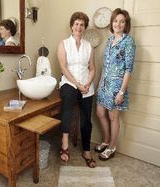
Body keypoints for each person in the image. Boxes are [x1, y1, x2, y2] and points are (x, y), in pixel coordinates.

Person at [95, 8, 136, 161]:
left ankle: (112, 147)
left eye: (122, 21)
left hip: (117, 86)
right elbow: (105, 65)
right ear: (112, 23)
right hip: (105, 83)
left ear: (126, 24)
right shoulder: (110, 40)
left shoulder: (129, 41)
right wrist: (99, 85)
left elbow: (128, 69)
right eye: (115, 21)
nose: (118, 24)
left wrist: (121, 92)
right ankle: (106, 140)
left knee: (113, 117)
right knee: (100, 112)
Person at [57, 12, 96, 168]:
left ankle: (86, 150)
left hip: (86, 83)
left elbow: (92, 68)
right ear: (71, 26)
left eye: (82, 24)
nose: (79, 27)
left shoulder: (89, 46)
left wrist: (87, 83)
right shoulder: (64, 44)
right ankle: (64, 144)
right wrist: (77, 84)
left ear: (84, 27)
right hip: (69, 81)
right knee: (67, 107)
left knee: (87, 117)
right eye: (76, 24)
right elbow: (63, 68)